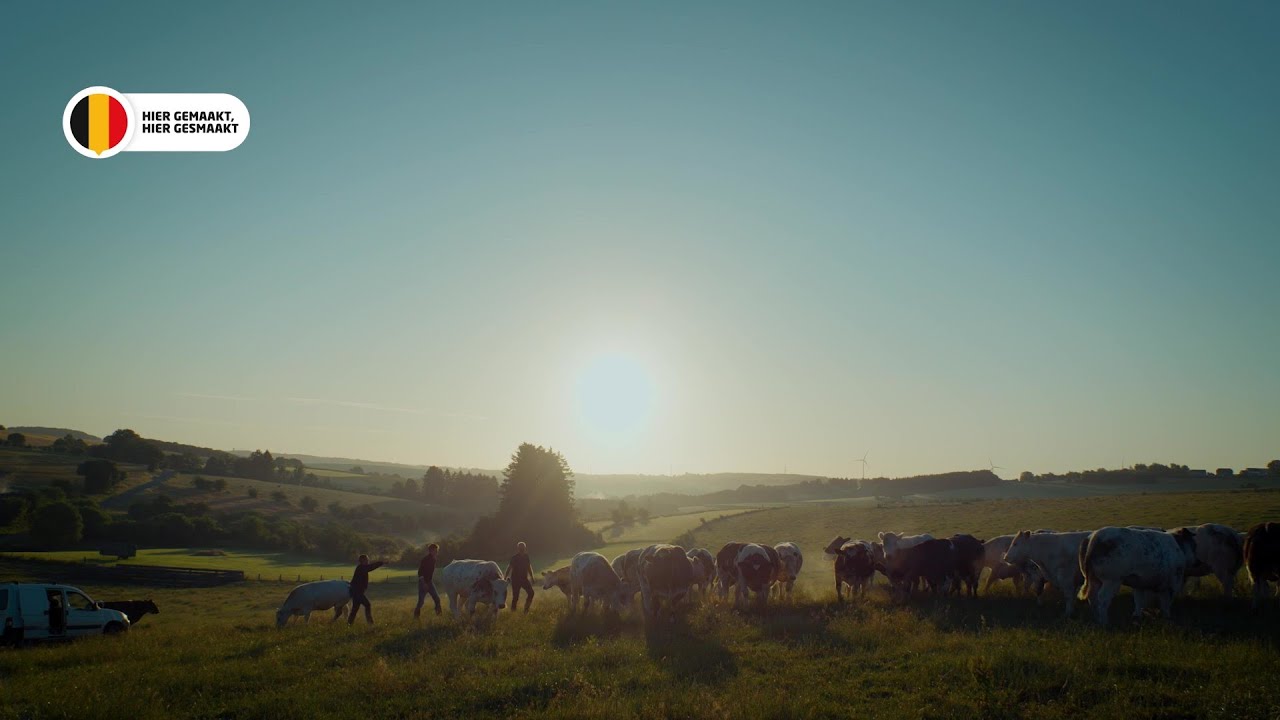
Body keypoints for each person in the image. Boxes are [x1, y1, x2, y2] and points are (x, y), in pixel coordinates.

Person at [347, 553, 385, 625]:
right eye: (367, 559)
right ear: (363, 560)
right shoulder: (361, 568)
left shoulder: (361, 568)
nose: (368, 560)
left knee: (354, 609)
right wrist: (381, 562)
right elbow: (371, 567)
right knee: (367, 605)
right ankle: (370, 623)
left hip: (356, 592)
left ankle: (349, 624)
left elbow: (369, 567)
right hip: (357, 592)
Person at [505, 541, 535, 613]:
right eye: (520, 548)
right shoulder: (514, 558)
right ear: (518, 548)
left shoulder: (526, 557)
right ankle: (513, 611)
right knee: (515, 597)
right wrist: (505, 577)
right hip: (515, 580)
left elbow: (529, 567)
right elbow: (509, 568)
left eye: (523, 547)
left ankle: (526, 609)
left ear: (525, 548)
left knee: (531, 593)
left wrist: (532, 577)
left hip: (524, 579)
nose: (522, 549)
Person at [414, 543, 441, 618]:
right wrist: (424, 584)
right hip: (423, 583)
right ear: (430, 551)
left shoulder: (433, 559)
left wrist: (429, 582)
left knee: (437, 599)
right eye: (435, 551)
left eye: (437, 551)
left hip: (429, 582)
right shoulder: (425, 559)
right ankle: (416, 616)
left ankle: (439, 614)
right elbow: (420, 572)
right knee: (421, 601)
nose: (436, 552)